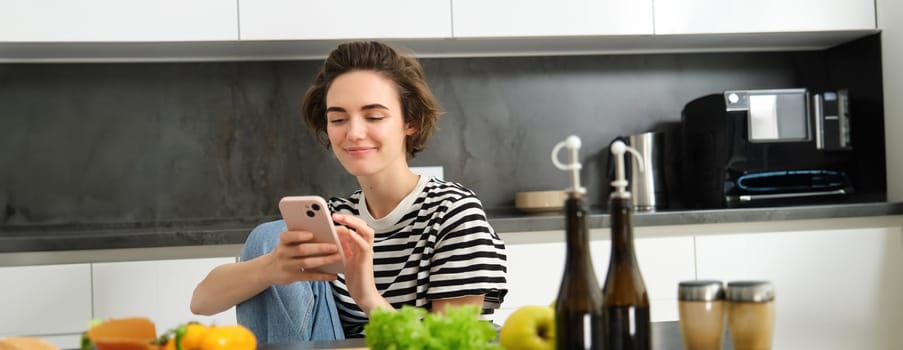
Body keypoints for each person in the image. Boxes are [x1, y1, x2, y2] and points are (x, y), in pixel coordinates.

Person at [190, 41, 508, 343]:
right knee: (270, 238)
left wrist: (366, 295)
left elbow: (451, 345)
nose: (353, 133)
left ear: (410, 122)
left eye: (374, 116)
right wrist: (271, 267)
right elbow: (201, 302)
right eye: (338, 118)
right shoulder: (333, 220)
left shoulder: (452, 211)